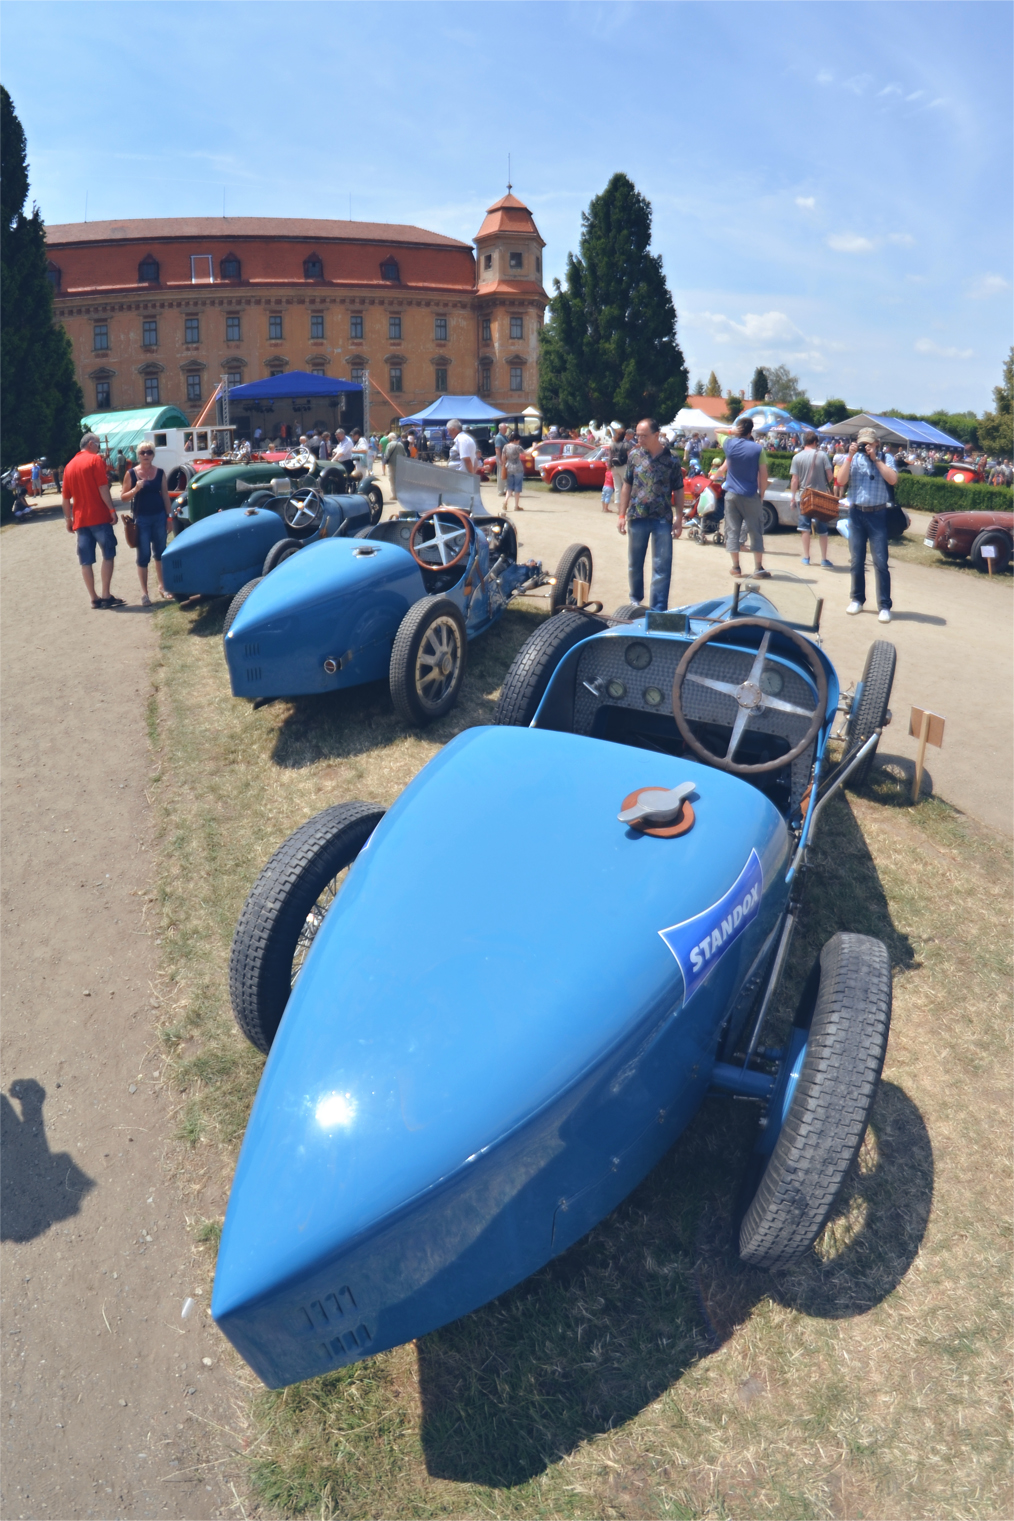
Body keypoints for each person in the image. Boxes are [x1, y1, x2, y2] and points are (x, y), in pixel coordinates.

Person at [618, 417, 684, 611]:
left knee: (662, 565)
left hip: (662, 518)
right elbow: (626, 485)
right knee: (634, 562)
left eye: (644, 436)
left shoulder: (671, 459)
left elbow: (679, 489)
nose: (639, 439)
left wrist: (679, 518)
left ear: (657, 435)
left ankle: (658, 608)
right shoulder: (634, 456)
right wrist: (621, 515)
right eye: (638, 435)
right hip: (637, 516)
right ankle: (635, 600)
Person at [837, 427, 897, 623]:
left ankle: (884, 605)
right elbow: (840, 481)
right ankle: (857, 599)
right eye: (863, 443)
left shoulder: (885, 458)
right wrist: (849, 456)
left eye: (869, 443)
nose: (866, 447)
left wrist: (875, 459)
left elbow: (893, 479)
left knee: (880, 561)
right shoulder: (853, 458)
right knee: (856, 560)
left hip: (878, 513)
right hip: (856, 513)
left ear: (877, 443)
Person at [61, 432, 124, 609]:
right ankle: (105, 594)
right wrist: (111, 509)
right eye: (98, 445)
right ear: (90, 444)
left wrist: (68, 519)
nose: (99, 448)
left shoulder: (69, 467)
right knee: (108, 554)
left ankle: (94, 597)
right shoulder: (95, 460)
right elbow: (102, 487)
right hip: (99, 516)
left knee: (85, 560)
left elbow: (65, 498)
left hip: (80, 520)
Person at [716, 415, 770, 578]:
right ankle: (758, 568)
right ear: (751, 431)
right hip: (750, 494)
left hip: (731, 494)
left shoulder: (729, 444)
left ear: (738, 429)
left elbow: (716, 431)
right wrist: (761, 495)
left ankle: (736, 567)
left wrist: (730, 431)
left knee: (732, 529)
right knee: (756, 530)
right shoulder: (757, 449)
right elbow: (763, 476)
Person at [121, 443, 174, 604]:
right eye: (143, 452)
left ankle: (163, 586)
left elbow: (165, 495)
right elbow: (123, 497)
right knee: (143, 555)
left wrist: (169, 517)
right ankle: (144, 593)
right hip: (141, 519)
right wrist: (135, 489)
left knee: (160, 552)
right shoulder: (131, 474)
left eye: (149, 452)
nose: (146, 455)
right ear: (138, 455)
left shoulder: (159, 473)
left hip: (159, 517)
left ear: (153, 454)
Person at [790, 429, 835, 568]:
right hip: (820, 496)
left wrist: (793, 497)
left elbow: (794, 480)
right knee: (823, 529)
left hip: (804, 495)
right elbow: (830, 476)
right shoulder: (822, 455)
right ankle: (824, 559)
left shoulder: (796, 457)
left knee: (805, 528)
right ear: (815, 442)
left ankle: (806, 557)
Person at [503, 430, 524, 511]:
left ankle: (505, 501)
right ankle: (516, 506)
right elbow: (526, 453)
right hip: (517, 467)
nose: (519, 442)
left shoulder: (505, 446)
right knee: (517, 487)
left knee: (509, 487)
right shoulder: (517, 447)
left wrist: (504, 465)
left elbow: (503, 457)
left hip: (509, 466)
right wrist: (534, 447)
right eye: (518, 440)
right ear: (515, 440)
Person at [383, 430, 406, 500]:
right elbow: (405, 455)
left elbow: (386, 455)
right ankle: (401, 494)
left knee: (392, 480)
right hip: (400, 464)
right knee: (399, 479)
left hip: (392, 464)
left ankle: (395, 495)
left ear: (390, 438)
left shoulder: (389, 445)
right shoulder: (400, 444)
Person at [492, 422, 508, 498]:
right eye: (504, 428)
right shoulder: (499, 437)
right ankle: (500, 491)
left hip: (505, 458)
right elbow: (497, 448)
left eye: (506, 428)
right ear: (500, 429)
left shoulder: (505, 437)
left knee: (504, 474)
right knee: (500, 474)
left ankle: (504, 490)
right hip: (501, 458)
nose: (506, 430)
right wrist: (500, 459)